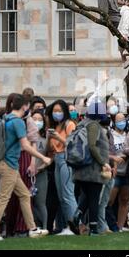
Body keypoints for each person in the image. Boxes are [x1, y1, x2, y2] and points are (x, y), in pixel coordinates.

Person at [0, 93, 51, 241]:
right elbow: (25, 145)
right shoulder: (18, 122)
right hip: (9, 165)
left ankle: (32, 229)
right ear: (25, 106)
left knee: (25, 195)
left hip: (4, 164)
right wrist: (43, 157)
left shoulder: (4, 118)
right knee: (3, 199)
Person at [69, 100, 112, 236]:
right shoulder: (93, 125)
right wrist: (103, 162)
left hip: (82, 167)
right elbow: (93, 146)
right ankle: (93, 228)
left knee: (87, 196)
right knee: (94, 197)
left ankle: (76, 217)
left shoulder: (82, 124)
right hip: (92, 169)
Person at [46, 100, 77, 235]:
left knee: (68, 193)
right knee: (61, 195)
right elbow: (49, 149)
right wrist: (49, 138)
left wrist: (58, 137)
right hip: (57, 159)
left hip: (66, 159)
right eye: (54, 111)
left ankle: (76, 225)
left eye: (59, 111)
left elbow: (73, 144)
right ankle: (66, 226)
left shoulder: (69, 125)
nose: (56, 114)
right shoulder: (55, 126)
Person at [107, 113, 129, 231]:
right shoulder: (110, 135)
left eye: (123, 119)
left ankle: (120, 226)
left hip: (126, 171)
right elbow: (106, 151)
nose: (121, 122)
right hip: (114, 171)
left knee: (125, 200)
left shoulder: (128, 135)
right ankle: (109, 225)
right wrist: (114, 158)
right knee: (109, 200)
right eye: (118, 120)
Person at [30, 110, 50, 230]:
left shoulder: (46, 137)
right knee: (28, 202)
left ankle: (44, 227)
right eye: (34, 119)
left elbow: (51, 156)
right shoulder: (26, 137)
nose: (37, 122)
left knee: (40, 202)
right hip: (27, 173)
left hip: (41, 174)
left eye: (40, 119)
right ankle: (33, 227)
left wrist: (41, 167)